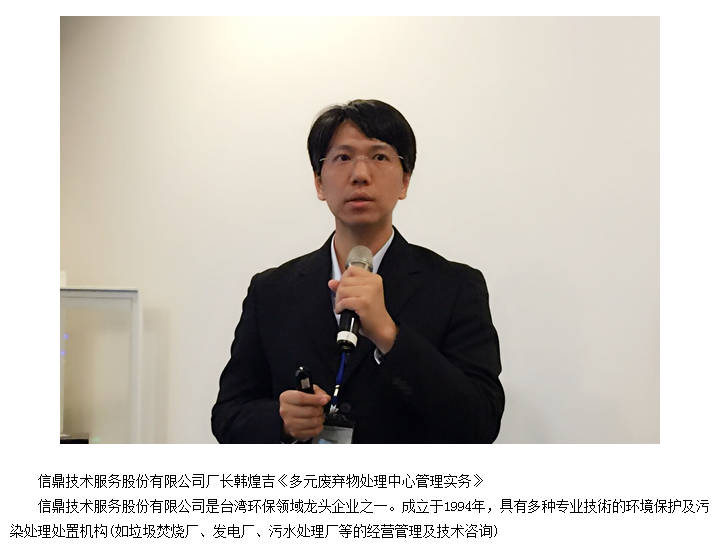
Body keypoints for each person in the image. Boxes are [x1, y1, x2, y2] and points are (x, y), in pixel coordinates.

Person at [212, 99, 504, 443]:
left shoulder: (456, 286)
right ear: (319, 183)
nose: (360, 174)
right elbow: (227, 415)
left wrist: (390, 336)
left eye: (379, 157)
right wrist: (281, 420)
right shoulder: (272, 290)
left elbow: (481, 424)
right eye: (342, 158)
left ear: (405, 180)